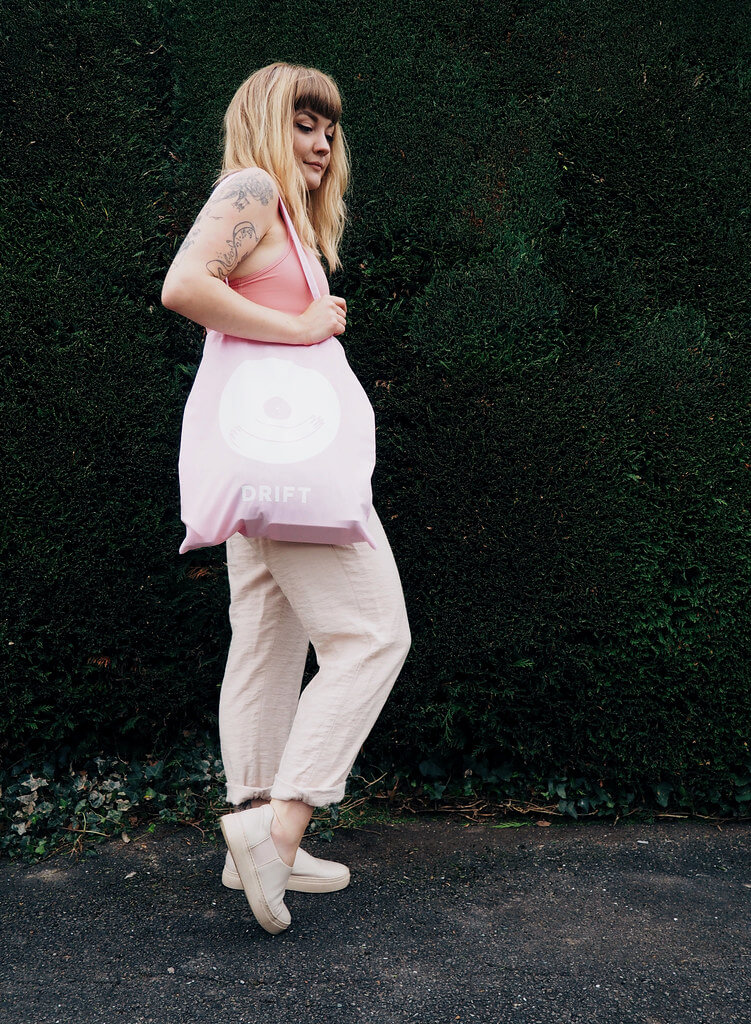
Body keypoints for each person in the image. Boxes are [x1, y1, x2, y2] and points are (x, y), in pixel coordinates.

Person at [161, 62, 411, 934]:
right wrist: (303, 325)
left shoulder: (282, 216)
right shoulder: (252, 188)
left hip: (270, 470)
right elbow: (185, 286)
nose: (322, 140)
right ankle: (280, 829)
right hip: (294, 469)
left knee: (267, 643)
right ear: (268, 124)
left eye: (330, 127)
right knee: (374, 634)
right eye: (305, 122)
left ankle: (258, 848)